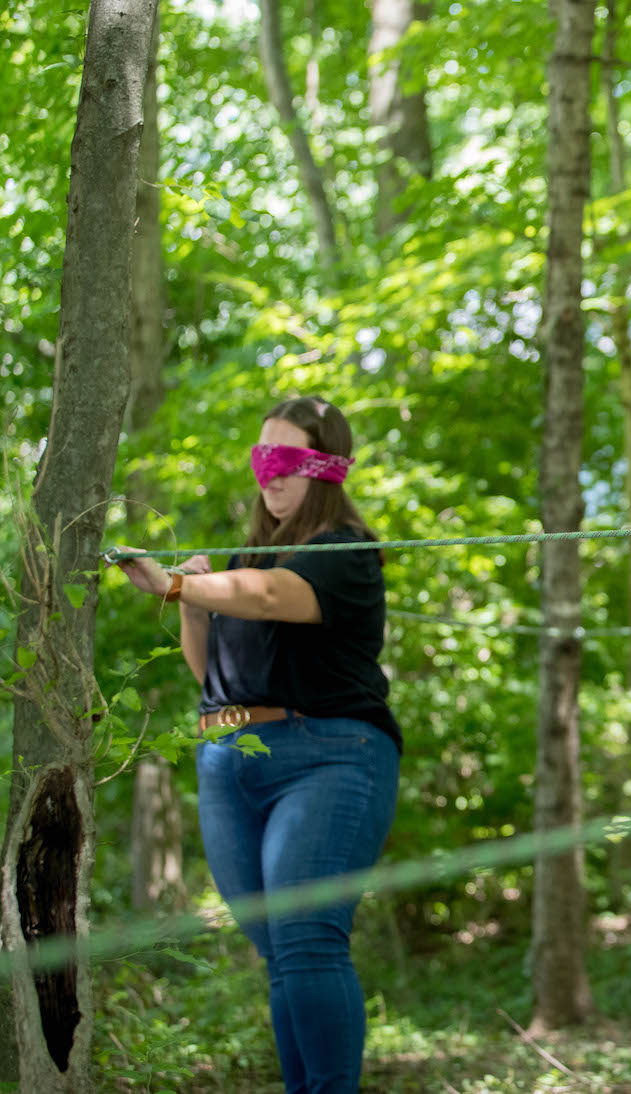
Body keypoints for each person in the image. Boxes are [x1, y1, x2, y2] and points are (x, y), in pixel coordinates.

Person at [115, 397, 399, 1094]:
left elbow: (273, 597)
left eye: (286, 461)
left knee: (306, 943)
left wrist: (184, 581)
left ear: (327, 468)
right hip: (230, 760)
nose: (268, 476)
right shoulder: (243, 562)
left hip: (329, 755)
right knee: (279, 954)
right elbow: (211, 672)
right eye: (259, 459)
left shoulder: (345, 554)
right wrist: (193, 601)